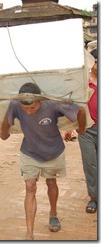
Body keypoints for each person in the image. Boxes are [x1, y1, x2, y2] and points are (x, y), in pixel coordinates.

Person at [0, 82, 86, 240]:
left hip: (53, 151)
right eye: (25, 109)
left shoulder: (52, 103)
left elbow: (80, 111)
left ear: (40, 101)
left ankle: (53, 214)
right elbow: (4, 127)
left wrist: (82, 129)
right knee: (30, 186)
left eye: (32, 108)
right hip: (30, 151)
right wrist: (4, 131)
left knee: (51, 183)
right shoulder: (15, 104)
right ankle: (29, 234)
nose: (28, 112)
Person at [64, 49, 97, 214]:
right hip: (87, 129)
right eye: (96, 61)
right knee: (90, 164)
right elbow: (73, 105)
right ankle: (94, 197)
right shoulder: (83, 83)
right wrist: (69, 127)